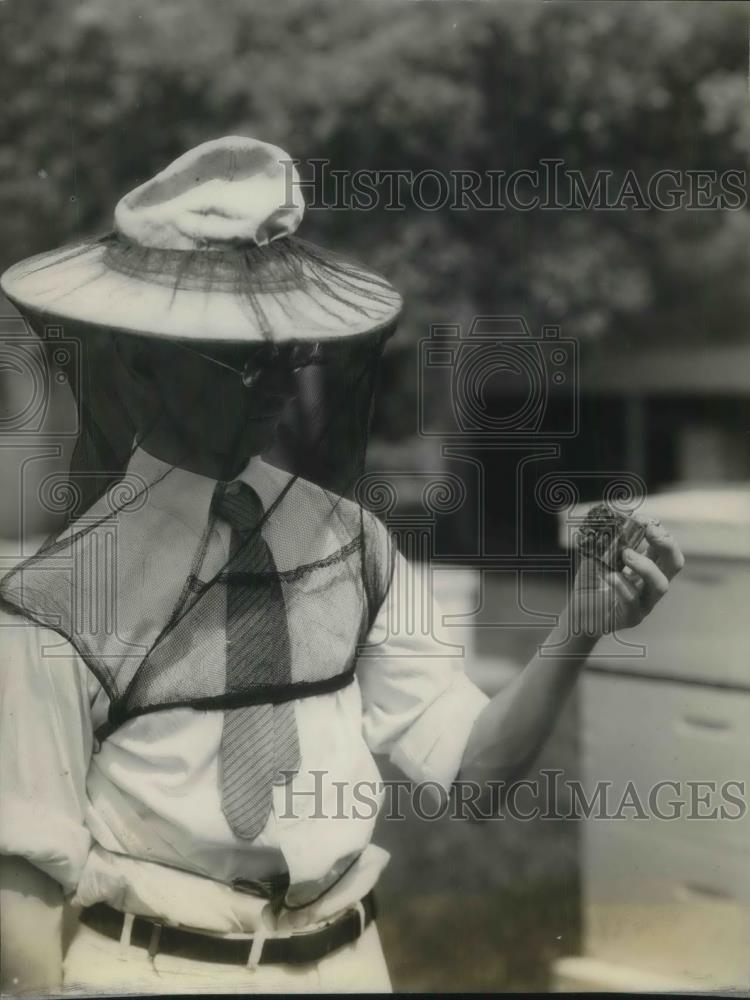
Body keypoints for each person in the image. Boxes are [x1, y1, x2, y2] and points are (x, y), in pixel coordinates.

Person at [0, 136, 685, 995]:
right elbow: (21, 897)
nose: (282, 382)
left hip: (351, 966)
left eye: (291, 350)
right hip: (155, 971)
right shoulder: (57, 600)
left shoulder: (351, 543)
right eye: (243, 356)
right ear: (143, 361)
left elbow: (472, 777)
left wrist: (579, 627)